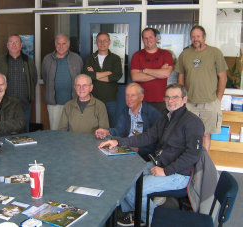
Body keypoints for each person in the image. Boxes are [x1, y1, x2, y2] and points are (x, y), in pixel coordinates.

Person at [98, 83, 204, 225]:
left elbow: (192, 155)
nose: (170, 100)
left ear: (185, 99)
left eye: (175, 97)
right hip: (158, 164)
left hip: (178, 174)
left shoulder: (193, 122)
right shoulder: (166, 118)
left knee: (136, 190)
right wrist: (119, 142)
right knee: (124, 181)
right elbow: (147, 137)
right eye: (167, 97)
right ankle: (137, 214)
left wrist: (166, 171)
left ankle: (156, 220)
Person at [176, 25, 228, 153]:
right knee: (189, 135)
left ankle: (203, 165)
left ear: (204, 37)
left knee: (205, 134)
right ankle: (189, 165)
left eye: (198, 36)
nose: (195, 39)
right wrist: (182, 99)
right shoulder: (185, 54)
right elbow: (180, 78)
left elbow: (223, 77)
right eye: (193, 36)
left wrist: (218, 98)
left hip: (209, 103)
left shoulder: (215, 53)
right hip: (190, 103)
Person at [95, 83, 161, 161]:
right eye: (127, 95)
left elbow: (156, 140)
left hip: (144, 155)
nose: (129, 99)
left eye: (133, 95)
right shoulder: (125, 111)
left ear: (141, 97)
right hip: (126, 147)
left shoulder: (152, 113)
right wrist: (106, 131)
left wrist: (139, 149)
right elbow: (120, 131)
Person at [0, 34, 37, 132]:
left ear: (21, 45)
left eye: (16, 42)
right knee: (5, 131)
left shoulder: (29, 61)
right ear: (7, 45)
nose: (14, 45)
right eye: (11, 42)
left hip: (24, 105)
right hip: (4, 105)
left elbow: (34, 80)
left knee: (24, 132)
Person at [42, 34, 83, 130]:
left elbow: (81, 76)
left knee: (74, 130)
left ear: (68, 45)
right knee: (56, 131)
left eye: (64, 44)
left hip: (74, 103)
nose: (61, 46)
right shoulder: (47, 59)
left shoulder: (77, 58)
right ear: (55, 45)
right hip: (54, 104)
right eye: (58, 44)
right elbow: (45, 78)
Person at [83, 32, 122, 127]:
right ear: (96, 42)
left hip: (110, 100)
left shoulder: (115, 58)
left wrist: (95, 74)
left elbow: (116, 76)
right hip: (93, 98)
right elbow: (87, 76)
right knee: (92, 125)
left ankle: (108, 142)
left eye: (105, 40)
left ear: (109, 42)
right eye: (99, 40)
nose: (102, 43)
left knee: (109, 126)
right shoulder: (89, 58)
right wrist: (107, 73)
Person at [131, 27, 173, 112]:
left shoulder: (166, 54)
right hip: (141, 101)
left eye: (150, 37)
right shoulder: (137, 55)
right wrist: (159, 73)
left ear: (156, 38)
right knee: (142, 125)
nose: (148, 40)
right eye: (145, 38)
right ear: (143, 40)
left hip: (161, 101)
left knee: (160, 125)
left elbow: (166, 74)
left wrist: (145, 70)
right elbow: (135, 77)